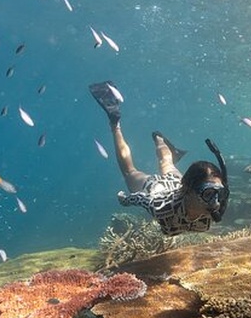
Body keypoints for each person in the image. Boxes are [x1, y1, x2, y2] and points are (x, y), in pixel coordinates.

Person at [89, 81, 229, 236]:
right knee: (129, 172)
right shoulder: (161, 207)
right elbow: (142, 198)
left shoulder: (213, 206)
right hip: (156, 188)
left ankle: (159, 139)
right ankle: (115, 124)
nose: (216, 202)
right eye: (208, 194)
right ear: (189, 191)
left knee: (167, 162)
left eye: (220, 193)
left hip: (175, 182)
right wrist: (125, 199)